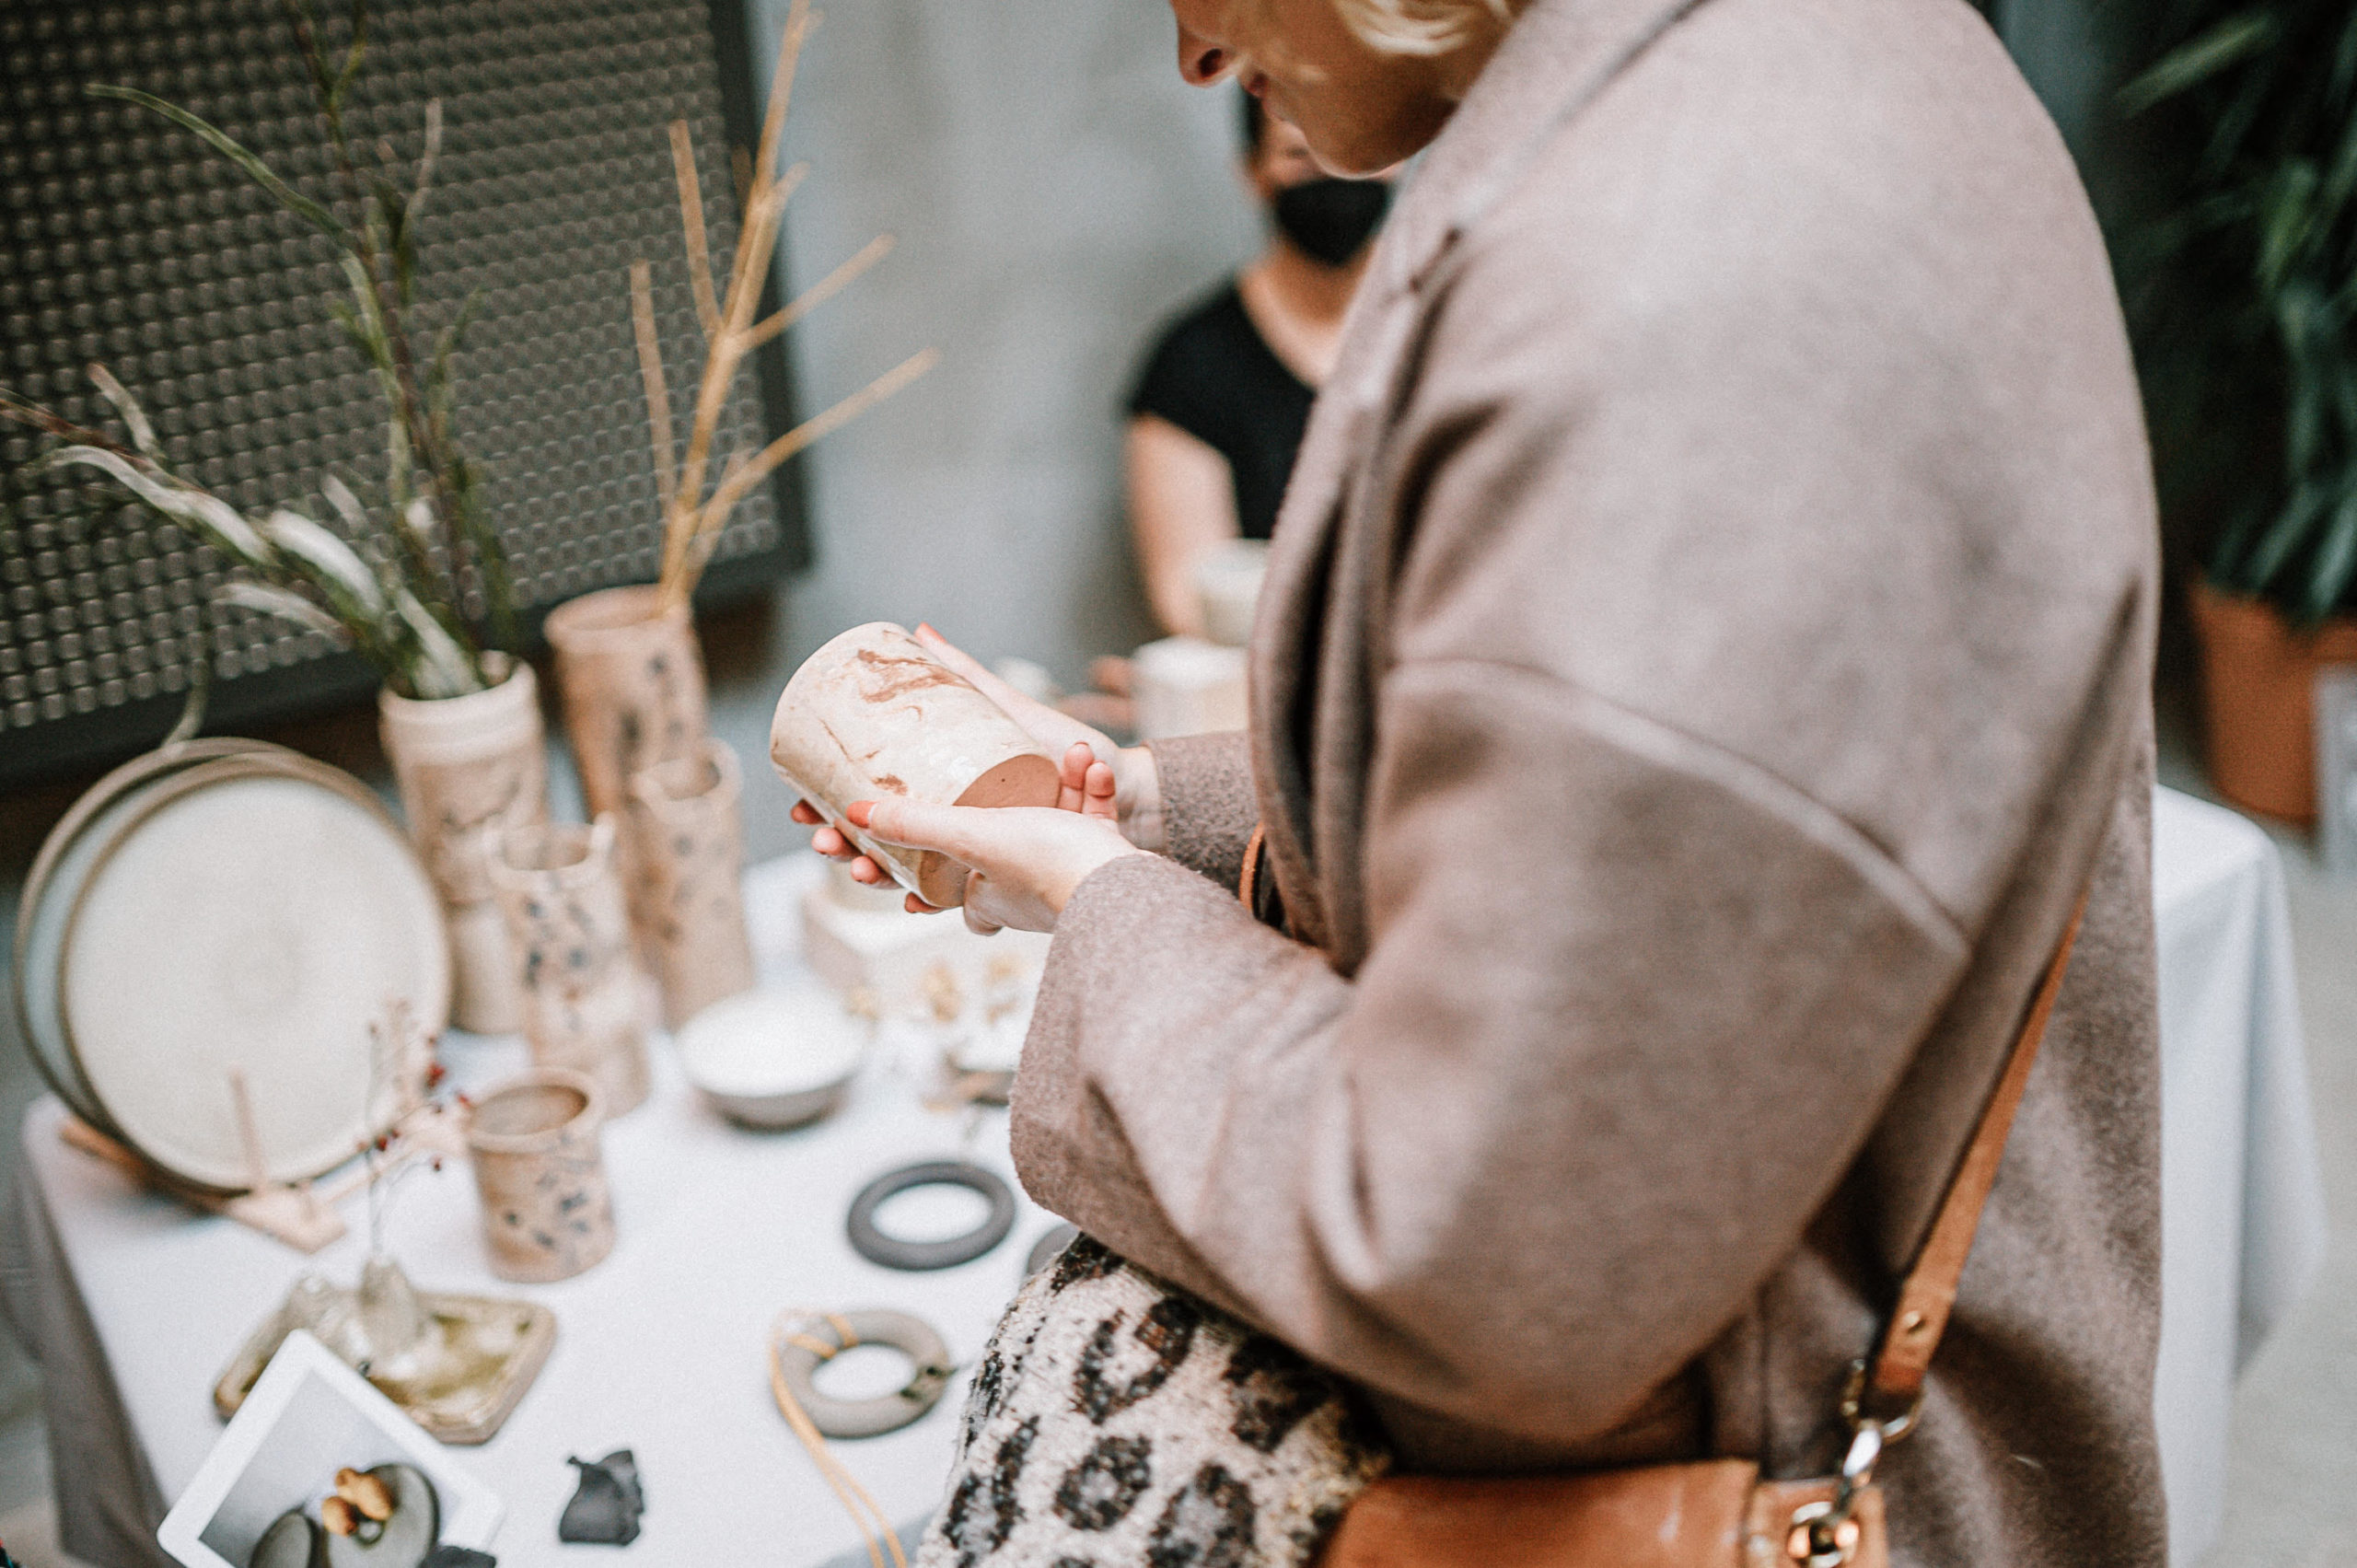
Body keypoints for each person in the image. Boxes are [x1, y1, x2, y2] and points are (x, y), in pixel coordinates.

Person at [795, 0, 2165, 1559]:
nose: (1191, 53)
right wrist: (1137, 804)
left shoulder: (1687, 297)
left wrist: (1101, 903)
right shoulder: (1768, 82)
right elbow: (1591, 817)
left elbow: (1488, 1252)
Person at [1126, 91, 1387, 636]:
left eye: (1355, 150)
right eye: (1299, 154)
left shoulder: (1457, 333)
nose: (1333, 173)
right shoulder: (1193, 361)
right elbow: (1188, 599)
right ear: (1254, 173)